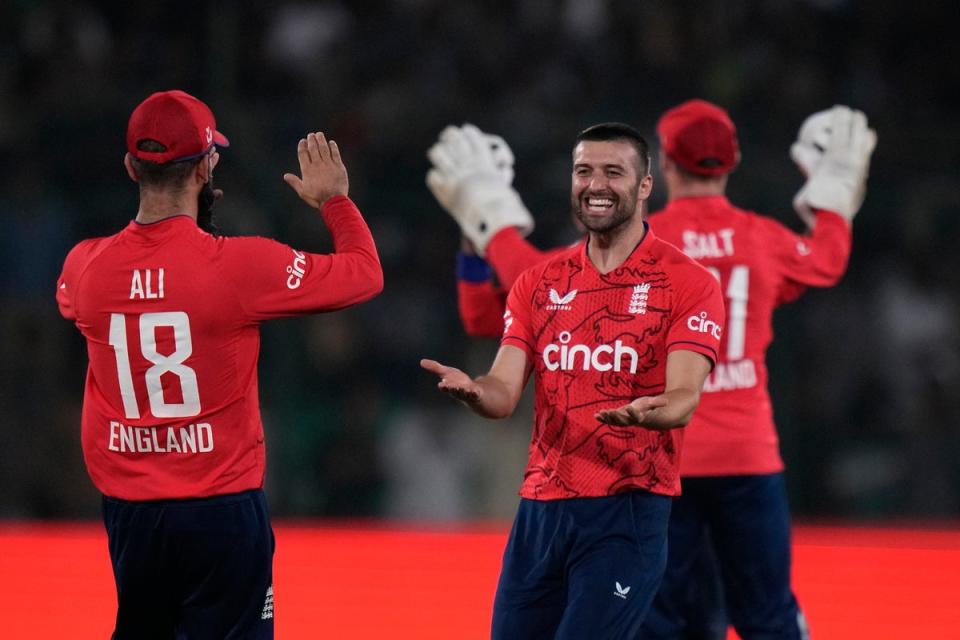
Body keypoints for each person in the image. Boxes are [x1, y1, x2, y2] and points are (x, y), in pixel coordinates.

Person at [426, 101, 876, 639]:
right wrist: (837, 190)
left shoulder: (631, 253)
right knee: (765, 614)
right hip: (742, 456)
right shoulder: (761, 240)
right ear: (731, 162)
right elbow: (826, 259)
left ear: (660, 169)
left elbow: (497, 304)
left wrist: (486, 218)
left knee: (658, 625)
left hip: (644, 473)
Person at [55, 89, 383, 639]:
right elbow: (364, 273)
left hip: (132, 515)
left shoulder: (84, 267)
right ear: (208, 165)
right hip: (220, 509)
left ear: (131, 167)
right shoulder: (238, 265)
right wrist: (335, 202)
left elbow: (76, 300)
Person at [422, 122, 725, 639]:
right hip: (540, 514)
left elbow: (682, 398)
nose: (596, 184)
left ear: (646, 185)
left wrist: (647, 410)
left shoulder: (688, 283)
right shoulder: (538, 282)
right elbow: (502, 393)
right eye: (584, 171)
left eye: (614, 172)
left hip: (627, 511)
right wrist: (474, 390)